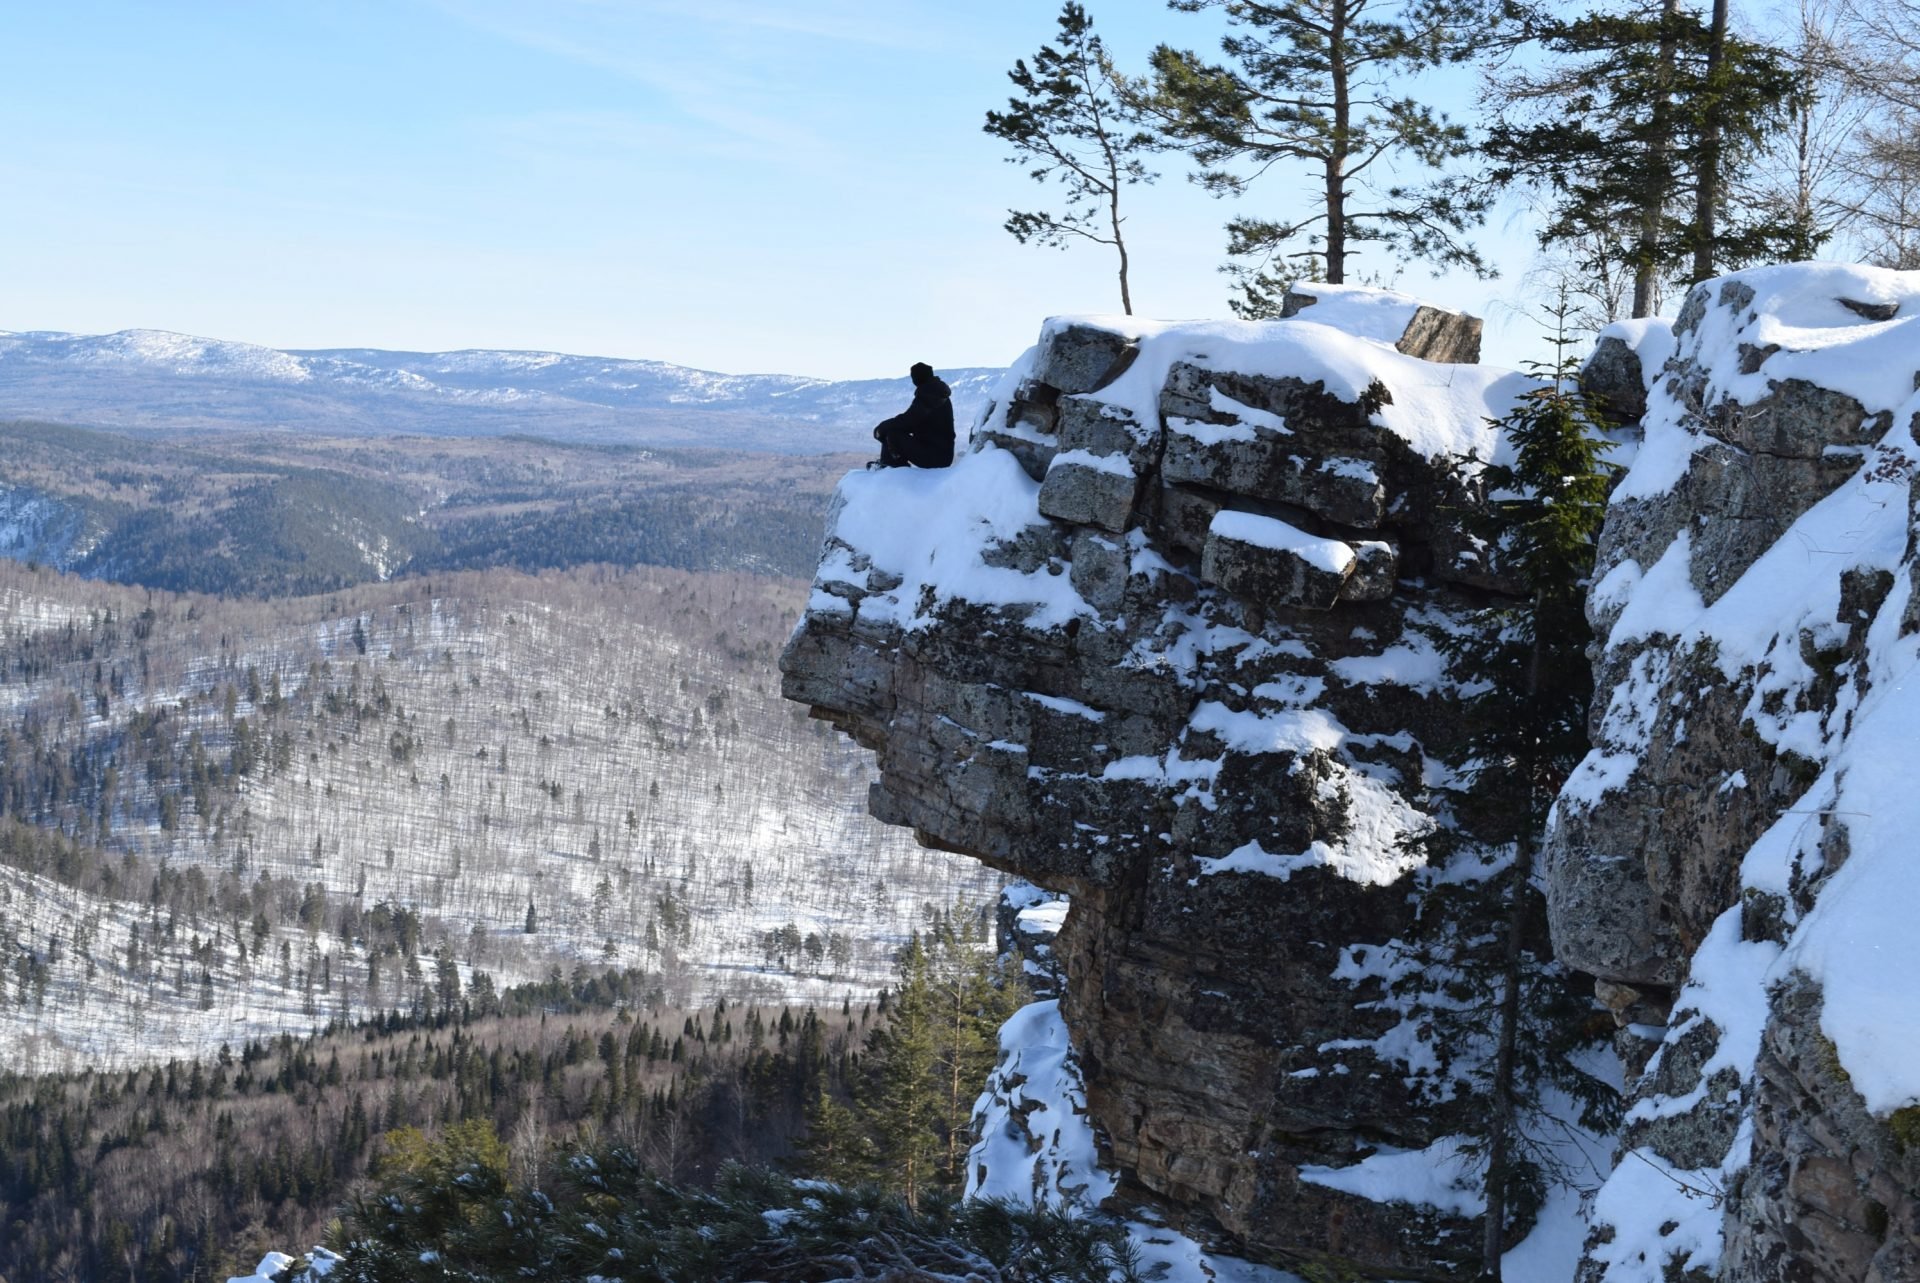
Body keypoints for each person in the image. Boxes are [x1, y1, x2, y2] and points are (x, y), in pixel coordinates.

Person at [871, 362, 955, 468]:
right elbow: (911, 421)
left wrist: (881, 428)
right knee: (893, 430)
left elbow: (908, 421)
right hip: (941, 454)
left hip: (935, 456)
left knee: (892, 434)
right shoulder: (936, 393)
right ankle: (891, 465)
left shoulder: (929, 396)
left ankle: (890, 467)